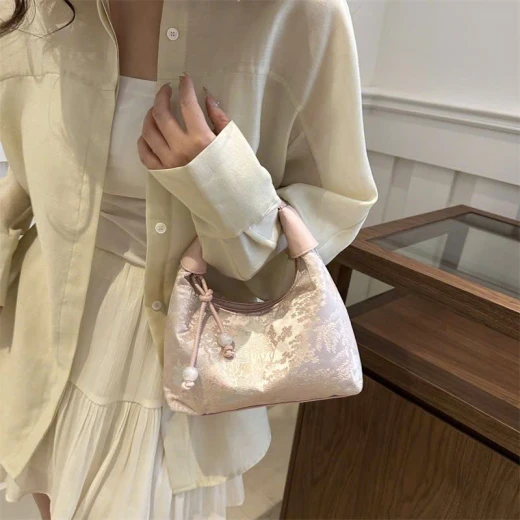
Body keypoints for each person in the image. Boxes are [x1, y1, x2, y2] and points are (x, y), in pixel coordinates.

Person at [0, 0, 378, 518]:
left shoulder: (299, 14)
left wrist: (223, 185)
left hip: (180, 350)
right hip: (44, 326)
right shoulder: (29, 10)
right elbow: (28, 172)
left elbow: (338, 200)